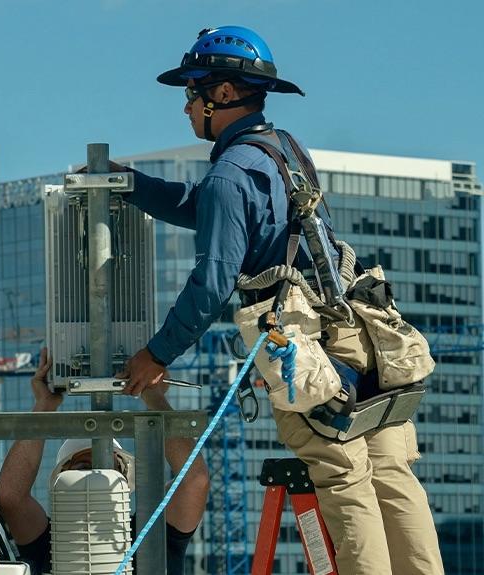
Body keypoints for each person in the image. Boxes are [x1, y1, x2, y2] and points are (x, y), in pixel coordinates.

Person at [114, 26, 445, 575]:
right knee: (391, 475)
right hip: (360, 328)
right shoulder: (283, 148)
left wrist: (156, 356)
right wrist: (137, 187)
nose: (187, 107)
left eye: (191, 92)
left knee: (342, 475)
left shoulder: (228, 173)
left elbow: (213, 280)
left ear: (221, 94)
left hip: (307, 347)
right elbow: (216, 210)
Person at [0, 349, 208, 575]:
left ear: (124, 481)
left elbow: (194, 481)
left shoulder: (154, 535)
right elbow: (11, 496)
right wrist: (43, 406)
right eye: (83, 467)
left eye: (108, 467)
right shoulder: (48, 544)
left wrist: (153, 396)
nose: (96, 474)